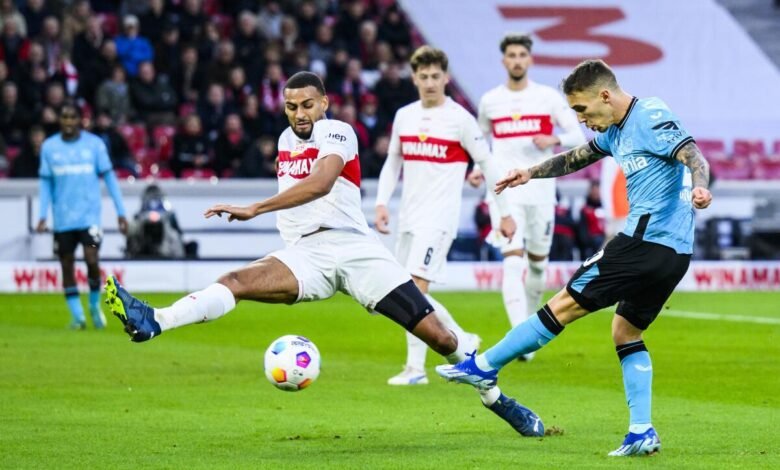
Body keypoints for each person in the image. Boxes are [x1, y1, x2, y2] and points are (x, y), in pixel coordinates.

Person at [105, 72, 544, 438]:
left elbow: (320, 183)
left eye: (307, 105)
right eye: (291, 107)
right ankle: (155, 320)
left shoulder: (338, 131)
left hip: (355, 250)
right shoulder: (284, 140)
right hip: (307, 254)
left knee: (443, 340)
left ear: (324, 103)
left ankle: (496, 400)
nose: (300, 114)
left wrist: (255, 208)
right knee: (235, 282)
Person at [436, 59, 713, 456]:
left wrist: (701, 187)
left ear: (605, 96)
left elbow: (694, 155)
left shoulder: (650, 114)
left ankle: (485, 366)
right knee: (625, 332)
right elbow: (577, 157)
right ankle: (641, 431)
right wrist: (529, 173)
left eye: (582, 109)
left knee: (563, 303)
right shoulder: (615, 131)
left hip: (643, 242)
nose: (581, 119)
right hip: (674, 253)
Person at [375, 46, 515, 386]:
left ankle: (415, 369)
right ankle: (464, 340)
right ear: (414, 78)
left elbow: (488, 164)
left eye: (435, 76)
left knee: (414, 289)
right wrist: (381, 203)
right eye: (423, 76)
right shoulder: (405, 116)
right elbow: (393, 161)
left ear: (446, 78)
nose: (429, 82)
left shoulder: (460, 119)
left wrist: (505, 213)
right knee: (401, 289)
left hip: (439, 219)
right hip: (408, 216)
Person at [469, 34, 585, 360]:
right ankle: (520, 337)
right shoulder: (490, 101)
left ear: (529, 59)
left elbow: (577, 134)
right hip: (504, 193)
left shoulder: (546, 97)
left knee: (537, 266)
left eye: (522, 55)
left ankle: (529, 330)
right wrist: (477, 169)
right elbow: (479, 141)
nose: (517, 60)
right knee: (512, 260)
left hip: (541, 192)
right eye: (512, 55)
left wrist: (554, 139)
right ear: (504, 61)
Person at [37, 103, 128, 329]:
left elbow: (110, 178)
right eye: (64, 117)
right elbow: (45, 183)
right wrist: (42, 214)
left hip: (89, 217)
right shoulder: (49, 147)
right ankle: (78, 316)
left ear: (80, 120)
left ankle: (94, 305)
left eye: (72, 117)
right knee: (66, 264)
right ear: (60, 120)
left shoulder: (94, 145)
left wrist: (121, 212)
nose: (68, 121)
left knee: (92, 259)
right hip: (63, 218)